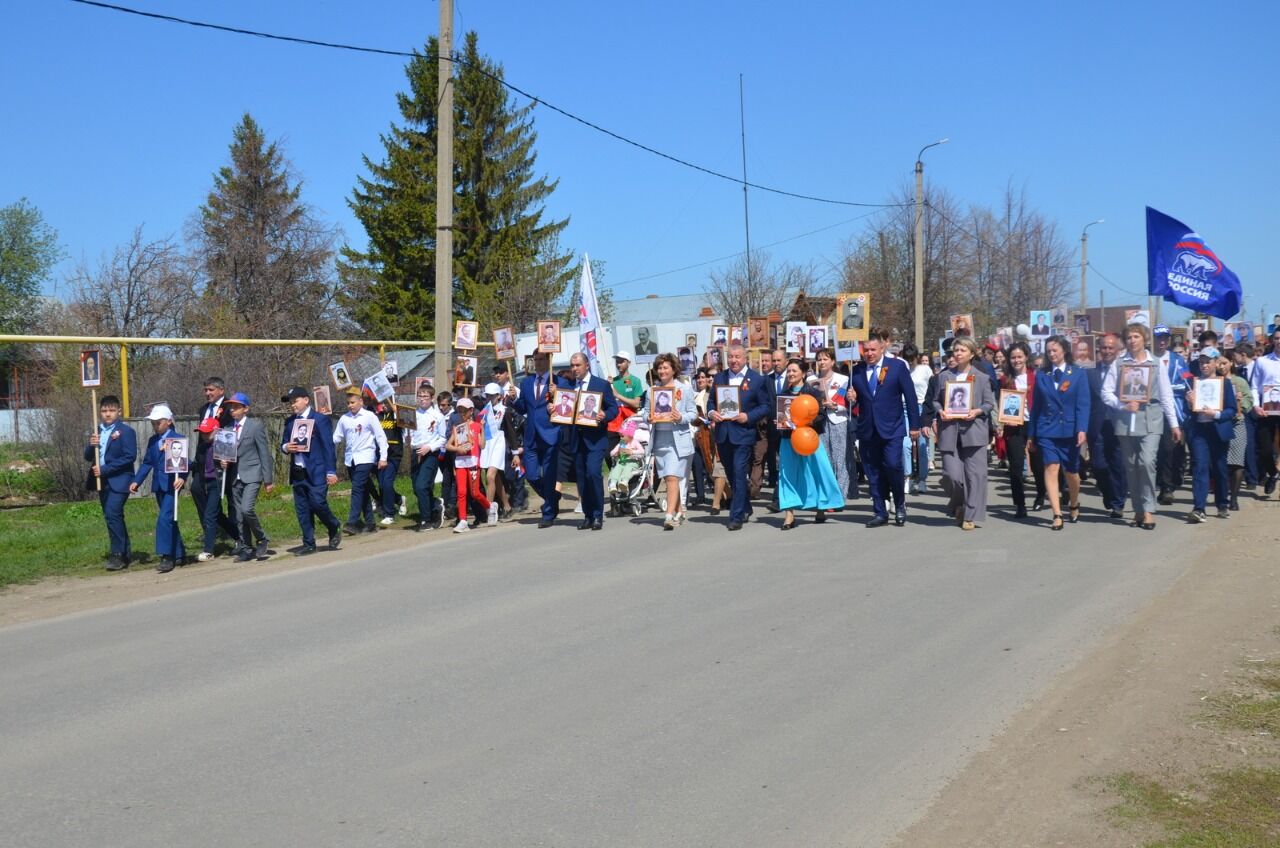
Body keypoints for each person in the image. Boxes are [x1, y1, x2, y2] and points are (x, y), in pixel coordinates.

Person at [1101, 323, 1182, 529]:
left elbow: (1166, 395)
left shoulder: (1155, 364)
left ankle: (1149, 509)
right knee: (1131, 465)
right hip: (1125, 421)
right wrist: (1122, 405)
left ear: (1144, 339)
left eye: (1136, 336)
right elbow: (1106, 392)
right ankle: (1137, 509)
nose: (1132, 341)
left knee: (1146, 461)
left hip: (1151, 419)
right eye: (1129, 337)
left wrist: (1174, 424)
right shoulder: (1119, 364)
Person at [848, 331, 921, 527]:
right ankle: (880, 511)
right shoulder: (856, 371)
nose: (869, 353)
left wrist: (915, 425)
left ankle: (899, 504)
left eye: (873, 349)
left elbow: (911, 397)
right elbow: (851, 401)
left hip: (892, 427)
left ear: (882, 348)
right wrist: (851, 399)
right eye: (866, 349)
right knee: (873, 472)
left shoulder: (897, 367)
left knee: (892, 465)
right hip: (868, 429)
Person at [925, 338, 994, 530]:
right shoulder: (944, 376)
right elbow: (936, 400)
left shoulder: (981, 378)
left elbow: (989, 403)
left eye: (962, 350)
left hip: (974, 431)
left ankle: (970, 515)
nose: (957, 353)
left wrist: (977, 411)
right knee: (951, 474)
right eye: (955, 350)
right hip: (949, 430)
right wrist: (941, 411)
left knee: (975, 476)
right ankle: (959, 503)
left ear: (971, 354)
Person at [1028, 336, 1090, 530]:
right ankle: (1056, 513)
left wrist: (1082, 429)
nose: (1052, 354)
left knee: (1072, 472)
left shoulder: (1078, 374)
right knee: (1051, 467)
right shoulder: (1042, 375)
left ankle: (1073, 502)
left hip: (1069, 430)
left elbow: (1083, 404)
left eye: (1055, 350)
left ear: (1064, 350)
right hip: (1047, 429)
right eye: (1049, 351)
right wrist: (1031, 434)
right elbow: (1036, 406)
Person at [775, 358, 844, 528]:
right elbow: (778, 416)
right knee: (787, 476)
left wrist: (806, 421)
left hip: (809, 439)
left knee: (816, 472)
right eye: (788, 371)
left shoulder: (812, 392)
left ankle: (821, 507)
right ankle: (789, 514)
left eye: (794, 371)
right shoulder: (782, 395)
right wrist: (778, 421)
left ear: (803, 373)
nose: (790, 374)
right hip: (788, 440)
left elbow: (820, 415)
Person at [709, 343, 771, 531]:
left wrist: (748, 416)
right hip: (723, 433)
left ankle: (735, 515)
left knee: (738, 471)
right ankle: (746, 506)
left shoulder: (756, 379)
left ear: (745, 358)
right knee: (731, 474)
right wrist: (712, 412)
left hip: (743, 433)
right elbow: (711, 400)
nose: (734, 360)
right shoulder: (720, 377)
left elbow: (766, 406)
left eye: (737, 357)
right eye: (731, 357)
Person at [556, 352, 619, 530]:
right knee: (582, 478)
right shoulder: (567, 386)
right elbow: (560, 408)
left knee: (593, 473)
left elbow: (613, 408)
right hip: (576, 438)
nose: (574, 369)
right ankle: (588, 515)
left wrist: (604, 415)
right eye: (572, 366)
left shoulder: (601, 385)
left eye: (578, 365)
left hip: (595, 438)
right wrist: (552, 408)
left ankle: (598, 514)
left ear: (587, 365)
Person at [280, 386, 343, 554]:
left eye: (295, 401)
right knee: (302, 509)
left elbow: (328, 447)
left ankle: (333, 525)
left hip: (317, 471)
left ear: (306, 400)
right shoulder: (290, 422)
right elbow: (283, 444)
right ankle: (309, 543)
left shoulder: (319, 419)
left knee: (317, 503)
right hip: (298, 471)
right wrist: (287, 447)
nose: (292, 405)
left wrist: (331, 471)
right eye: (291, 403)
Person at [639, 352, 697, 530]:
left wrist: (680, 417)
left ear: (673, 369)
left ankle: (669, 515)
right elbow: (644, 411)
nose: (662, 371)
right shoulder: (651, 391)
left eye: (666, 367)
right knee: (668, 476)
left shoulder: (684, 389)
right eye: (659, 368)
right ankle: (679, 510)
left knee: (672, 477)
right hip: (660, 440)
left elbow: (693, 413)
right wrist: (648, 417)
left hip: (678, 440)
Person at [129, 404, 187, 573]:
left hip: (172, 485)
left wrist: (182, 478)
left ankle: (166, 556)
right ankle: (179, 552)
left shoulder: (178, 439)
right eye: (153, 423)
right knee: (170, 520)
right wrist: (137, 481)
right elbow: (148, 462)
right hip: (159, 485)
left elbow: (187, 464)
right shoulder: (153, 441)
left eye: (158, 423)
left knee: (164, 519)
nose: (155, 426)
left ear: (168, 422)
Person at [85, 394, 137, 571]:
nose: (108, 414)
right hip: (102, 481)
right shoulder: (97, 431)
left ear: (119, 411)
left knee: (112, 513)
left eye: (112, 410)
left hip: (120, 480)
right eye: (104, 411)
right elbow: (87, 457)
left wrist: (106, 469)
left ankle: (117, 554)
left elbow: (130, 456)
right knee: (112, 517)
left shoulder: (126, 431)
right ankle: (125, 552)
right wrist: (91, 445)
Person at [1185, 348, 1237, 522]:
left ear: (1216, 362)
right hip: (1200, 431)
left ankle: (1222, 504)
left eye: (1208, 361)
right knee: (1200, 467)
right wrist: (1190, 402)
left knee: (1220, 468)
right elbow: (1190, 412)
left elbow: (1232, 410)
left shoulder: (1225, 384)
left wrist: (1215, 414)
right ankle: (1199, 508)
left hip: (1218, 431)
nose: (1204, 365)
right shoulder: (1195, 383)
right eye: (1201, 362)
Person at [221, 393, 274, 562]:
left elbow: (264, 453)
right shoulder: (228, 429)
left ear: (246, 409)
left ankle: (262, 537)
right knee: (238, 515)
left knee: (246, 509)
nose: (232, 410)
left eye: (236, 407)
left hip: (252, 473)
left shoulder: (255, 426)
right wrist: (223, 462)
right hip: (235, 476)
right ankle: (246, 547)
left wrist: (268, 479)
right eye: (231, 407)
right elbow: (224, 453)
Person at [513, 351, 563, 527]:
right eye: (536, 360)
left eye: (542, 360)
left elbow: (568, 405)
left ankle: (548, 513)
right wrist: (513, 399)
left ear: (549, 361)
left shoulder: (558, 381)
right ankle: (553, 497)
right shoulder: (526, 383)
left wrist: (557, 393)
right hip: (531, 435)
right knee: (532, 474)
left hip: (551, 433)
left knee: (549, 475)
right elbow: (523, 408)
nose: (539, 363)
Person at [999, 342, 1046, 518]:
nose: (1016, 360)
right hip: (1013, 425)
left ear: (1026, 357)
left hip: (1034, 424)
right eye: (1013, 357)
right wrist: (1003, 421)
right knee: (1016, 467)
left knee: (1037, 464)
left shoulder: (1037, 377)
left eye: (1019, 357)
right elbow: (1001, 402)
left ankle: (1041, 494)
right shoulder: (1005, 379)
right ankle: (1020, 504)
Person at [332, 387, 388, 535]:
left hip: (366, 457)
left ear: (361, 401)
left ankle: (353, 521)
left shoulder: (369, 416)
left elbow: (380, 437)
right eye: (348, 403)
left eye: (353, 402)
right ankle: (370, 523)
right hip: (351, 460)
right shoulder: (345, 419)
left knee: (357, 488)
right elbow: (336, 438)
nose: (350, 405)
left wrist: (383, 457)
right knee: (363, 491)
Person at [1153, 325, 1191, 505]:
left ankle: (1167, 486)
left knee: (1169, 449)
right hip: (1151, 410)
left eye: (1165, 338)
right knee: (1153, 451)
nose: (1162, 341)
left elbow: (1187, 380)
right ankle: (1156, 482)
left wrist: (1191, 393)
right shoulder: (1147, 359)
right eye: (1158, 337)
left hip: (1173, 410)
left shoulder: (1178, 361)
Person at [407, 382, 448, 530]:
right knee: (417, 488)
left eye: (425, 396)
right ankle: (434, 505)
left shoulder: (437, 416)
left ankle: (426, 520)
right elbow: (409, 433)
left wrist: (429, 447)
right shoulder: (413, 413)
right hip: (415, 452)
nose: (422, 399)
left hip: (430, 453)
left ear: (431, 398)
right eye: (420, 396)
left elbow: (443, 438)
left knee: (421, 485)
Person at [446, 397, 490, 532]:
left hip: (473, 462)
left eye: (464, 410)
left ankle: (489, 506)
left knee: (475, 493)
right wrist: (457, 449)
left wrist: (482, 429)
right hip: (460, 462)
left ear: (471, 411)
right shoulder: (458, 428)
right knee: (461, 492)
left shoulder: (477, 426)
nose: (461, 413)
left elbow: (482, 445)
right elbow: (448, 445)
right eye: (459, 410)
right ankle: (463, 520)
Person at [480, 382, 518, 523]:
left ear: (499, 396)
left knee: (490, 476)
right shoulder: (483, 411)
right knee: (494, 478)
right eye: (487, 395)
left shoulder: (505, 410)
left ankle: (489, 510)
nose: (489, 398)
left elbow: (511, 432)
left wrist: (515, 453)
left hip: (499, 444)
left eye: (492, 395)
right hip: (486, 444)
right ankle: (507, 506)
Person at [1220, 353, 1253, 511]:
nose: (1222, 366)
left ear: (1231, 363)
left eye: (1225, 363)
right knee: (1222, 461)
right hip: (1219, 424)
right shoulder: (1215, 381)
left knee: (1237, 461)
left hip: (1237, 423)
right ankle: (1223, 494)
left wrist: (1241, 401)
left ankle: (1234, 497)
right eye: (1219, 363)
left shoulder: (1239, 382)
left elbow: (1249, 401)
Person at [1250, 327, 1280, 496]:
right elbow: (1254, 386)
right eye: (1277, 338)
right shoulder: (1262, 362)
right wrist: (1256, 405)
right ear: (1272, 340)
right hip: (1266, 410)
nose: (1279, 341)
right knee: (1264, 449)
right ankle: (1274, 473)